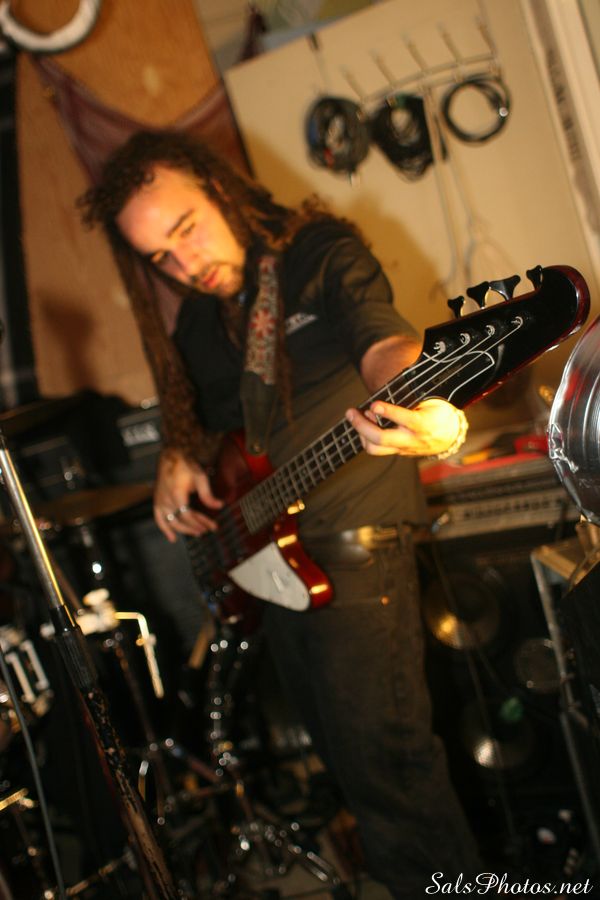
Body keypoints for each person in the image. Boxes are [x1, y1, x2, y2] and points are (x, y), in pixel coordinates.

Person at [80, 129, 480, 898]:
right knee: (350, 771)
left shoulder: (316, 254)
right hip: (277, 564)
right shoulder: (199, 323)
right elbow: (210, 427)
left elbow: (384, 344)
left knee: (392, 774)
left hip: (358, 540)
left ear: (220, 189)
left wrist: (432, 403)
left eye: (187, 228)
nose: (185, 263)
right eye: (160, 257)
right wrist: (176, 453)